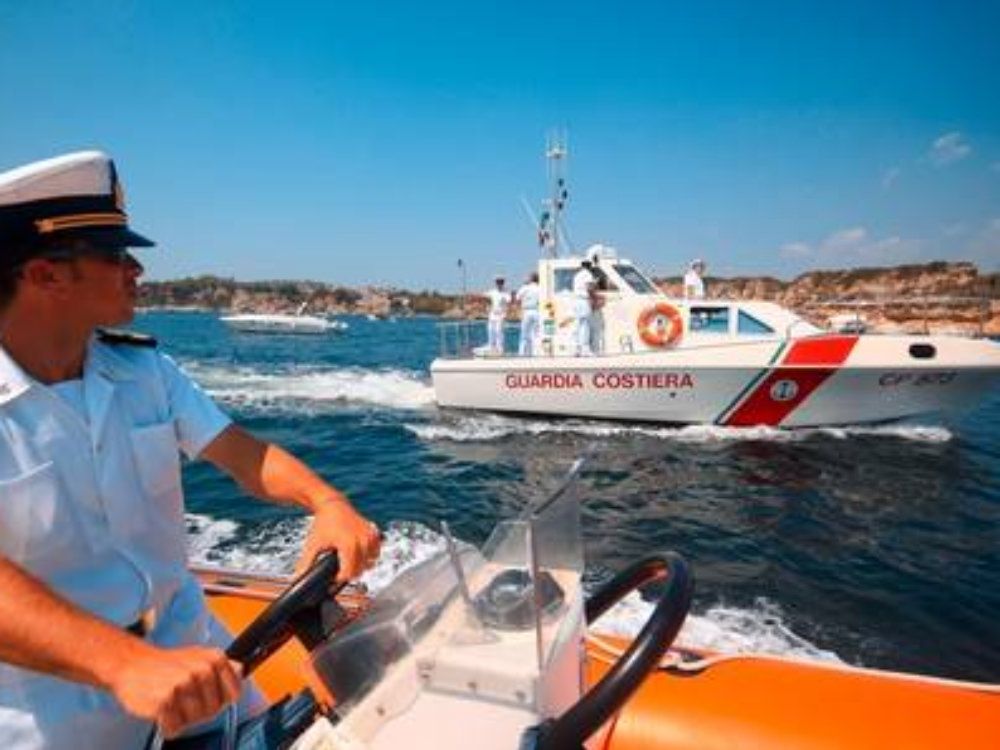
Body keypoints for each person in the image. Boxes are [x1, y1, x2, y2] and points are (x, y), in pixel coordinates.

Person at [0, 151, 382, 748]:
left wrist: (326, 501)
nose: (136, 269)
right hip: (64, 725)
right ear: (47, 274)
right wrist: (124, 663)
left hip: (211, 686)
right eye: (114, 255)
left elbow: (244, 455)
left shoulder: (143, 370)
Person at [571, 260, 596, 356]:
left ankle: (576, 349)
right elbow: (589, 287)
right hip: (583, 300)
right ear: (589, 267)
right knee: (585, 325)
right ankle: (585, 349)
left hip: (575, 300)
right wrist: (593, 297)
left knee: (576, 324)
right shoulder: (588, 274)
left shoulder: (577, 275)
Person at [514, 272, 540, 357]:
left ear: (531, 279)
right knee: (536, 334)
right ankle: (535, 353)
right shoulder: (540, 288)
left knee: (524, 334)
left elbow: (517, 298)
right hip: (537, 311)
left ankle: (522, 353)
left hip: (526, 311)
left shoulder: (525, 288)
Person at [484, 275, 511, 354]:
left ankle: (500, 348)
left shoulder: (506, 292)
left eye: (500, 282)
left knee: (499, 331)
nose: (499, 284)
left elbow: (509, 300)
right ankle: (491, 346)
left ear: (503, 283)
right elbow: (484, 295)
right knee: (490, 330)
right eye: (498, 282)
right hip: (492, 313)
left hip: (501, 314)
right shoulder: (493, 292)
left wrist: (504, 299)